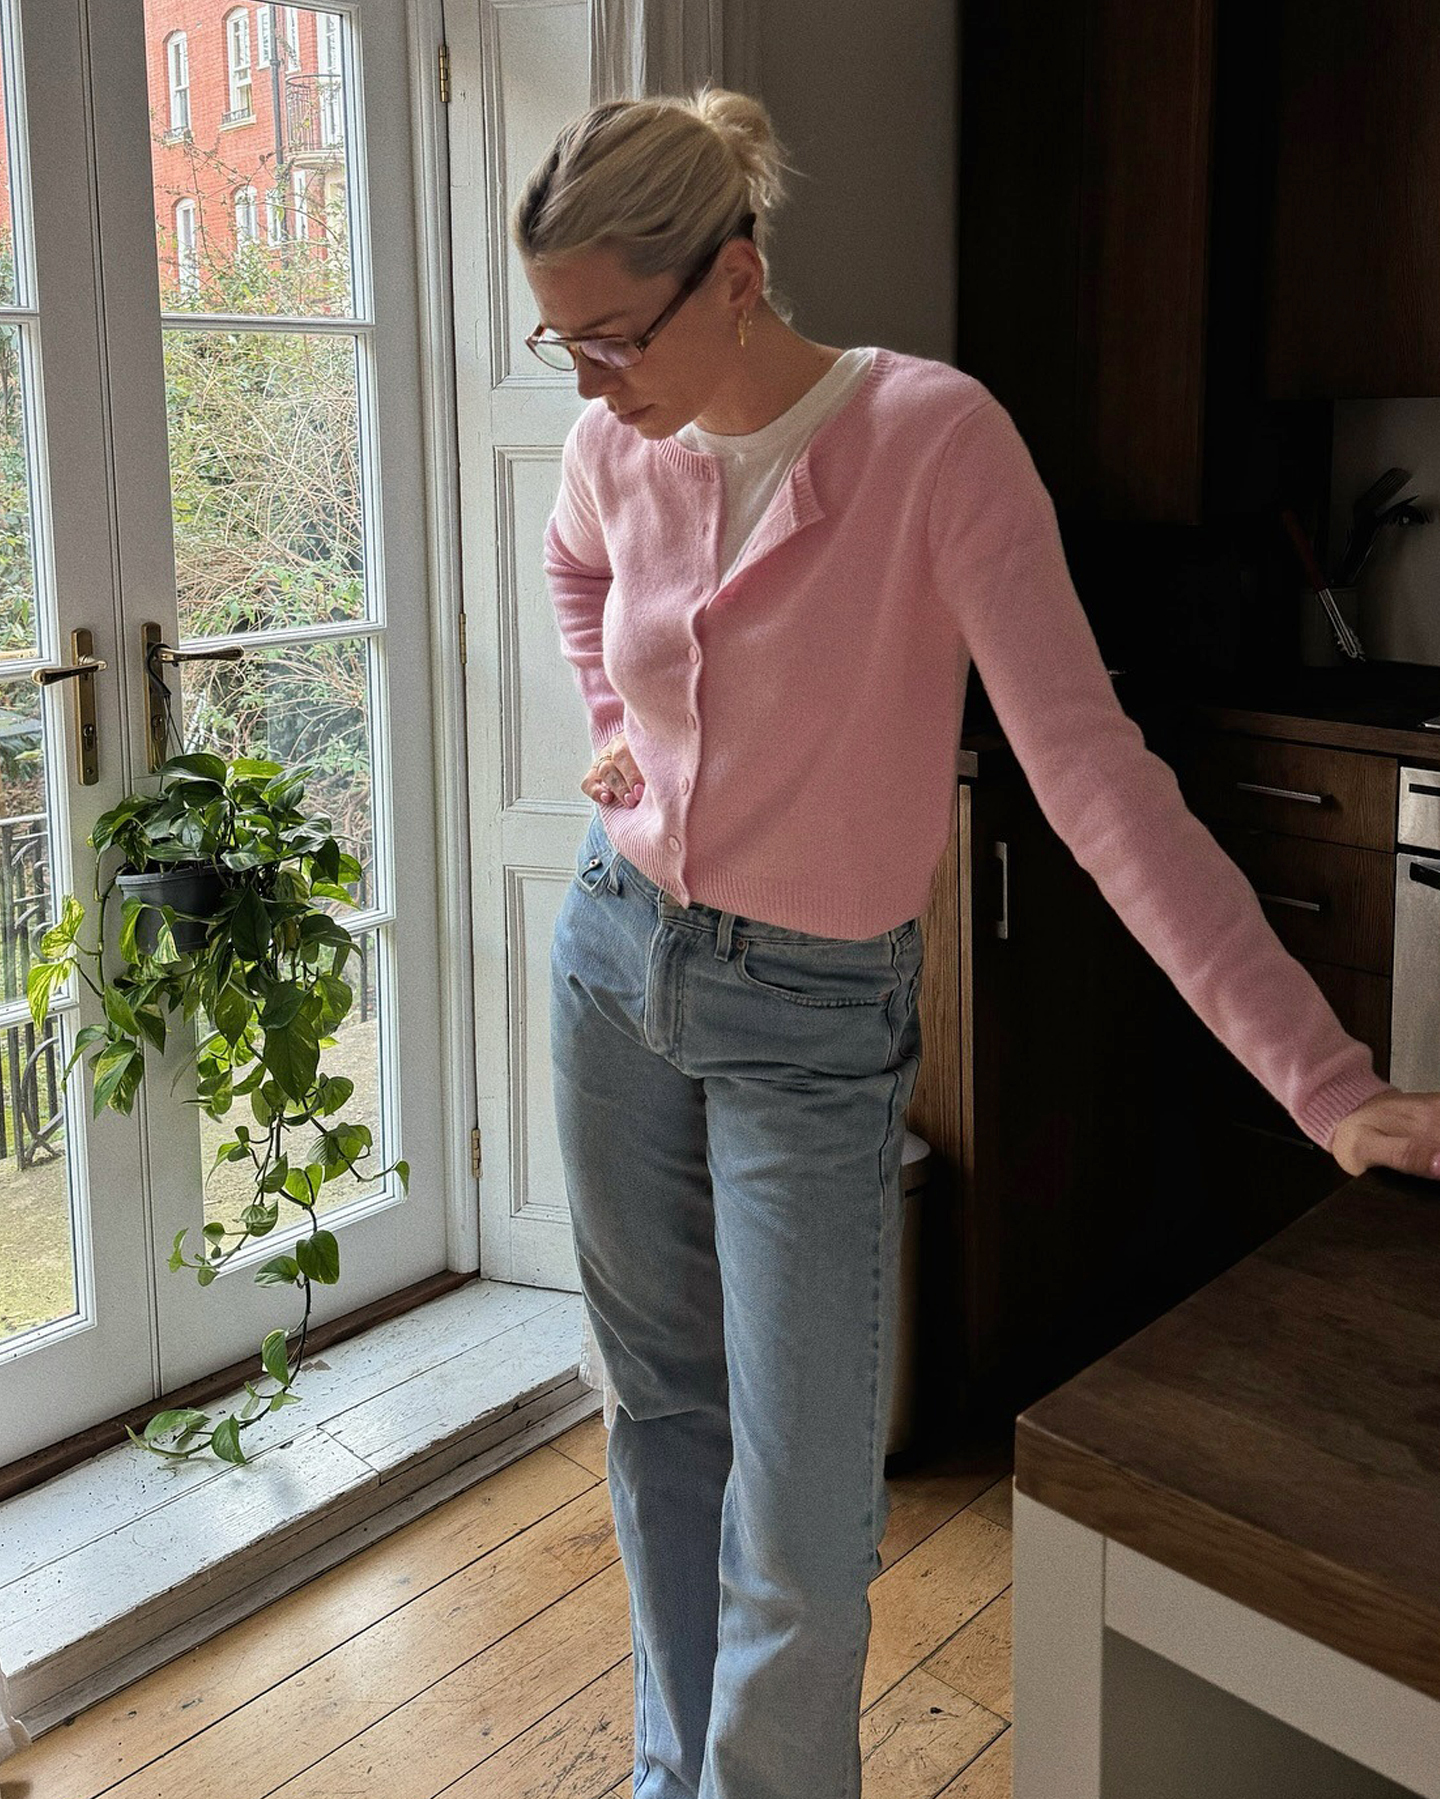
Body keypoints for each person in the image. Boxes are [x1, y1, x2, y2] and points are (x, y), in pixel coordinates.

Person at [511, 82, 1440, 1799]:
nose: (588, 384)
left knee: (804, 1526)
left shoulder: (932, 443)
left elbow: (1097, 780)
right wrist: (610, 721)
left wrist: (1326, 1082)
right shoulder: (610, 444)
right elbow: (578, 573)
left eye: (612, 338)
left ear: (737, 275)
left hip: (812, 1026)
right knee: (659, 1420)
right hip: (610, 963)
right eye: (560, 343)